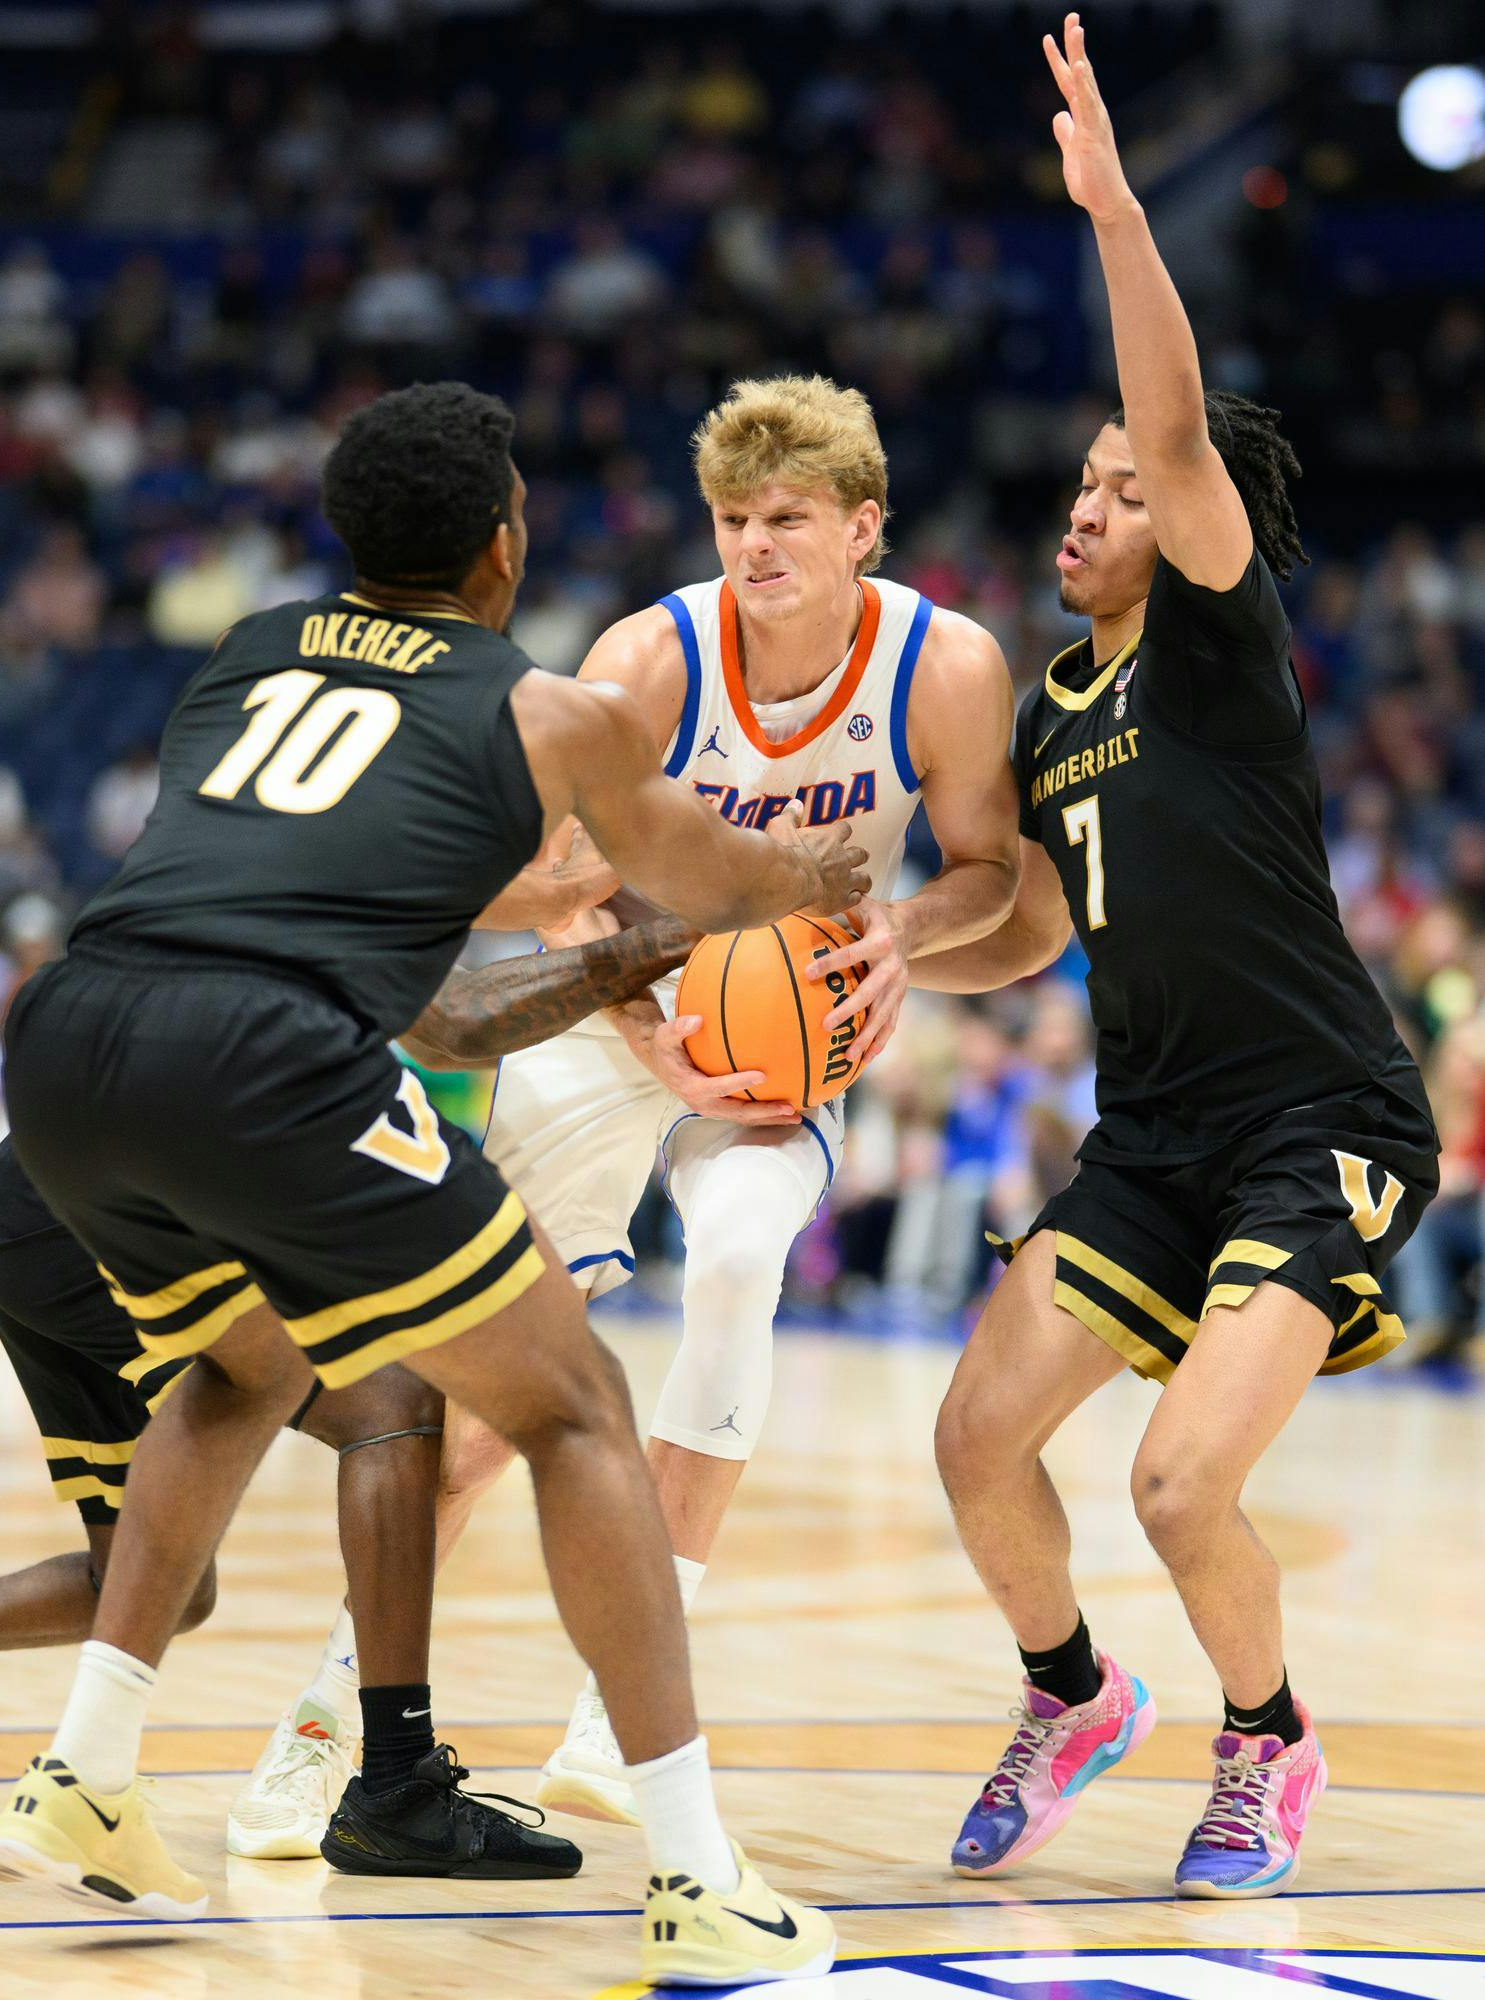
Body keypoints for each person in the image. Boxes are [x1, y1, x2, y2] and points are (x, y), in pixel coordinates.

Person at [0, 381, 867, 1990]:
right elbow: (706, 871)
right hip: (261, 1061)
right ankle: (691, 1870)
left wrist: (642, 940)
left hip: (67, 1043)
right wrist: (802, 882)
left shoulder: (242, 657)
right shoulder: (547, 712)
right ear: (502, 547)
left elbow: (420, 986)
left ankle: (87, 1777)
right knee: (579, 1411)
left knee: (239, 1367)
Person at [906, 14, 1439, 1901]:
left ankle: (1267, 1740)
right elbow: (1032, 927)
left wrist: (1121, 213)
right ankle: (1072, 1694)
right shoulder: (1049, 711)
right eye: (1079, 482)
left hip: (1321, 1116)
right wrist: (901, 947)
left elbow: (1186, 422)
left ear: (1190, 518)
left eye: (1118, 485)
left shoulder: (1220, 642)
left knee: (1174, 1482)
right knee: (974, 1440)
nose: (1087, 501)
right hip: (1155, 1129)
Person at [453, 371, 1020, 1824]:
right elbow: (527, 886)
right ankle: (340, 1714)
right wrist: (642, 1015)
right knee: (481, 1383)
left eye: (786, 519)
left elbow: (990, 870)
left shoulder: (946, 667)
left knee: (744, 1260)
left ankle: (614, 1705)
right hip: (605, 1007)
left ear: (865, 529)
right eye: (729, 519)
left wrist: (906, 935)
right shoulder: (650, 659)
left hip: (789, 1027)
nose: (752, 546)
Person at [0, 910, 698, 1877]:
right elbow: (458, 1018)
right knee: (393, 1406)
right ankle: (394, 1785)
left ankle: (155, 1775)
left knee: (148, 1588)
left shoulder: (249, 863)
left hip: (44, 1193)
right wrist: (660, 939)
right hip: (120, 1201)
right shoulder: (345, 872)